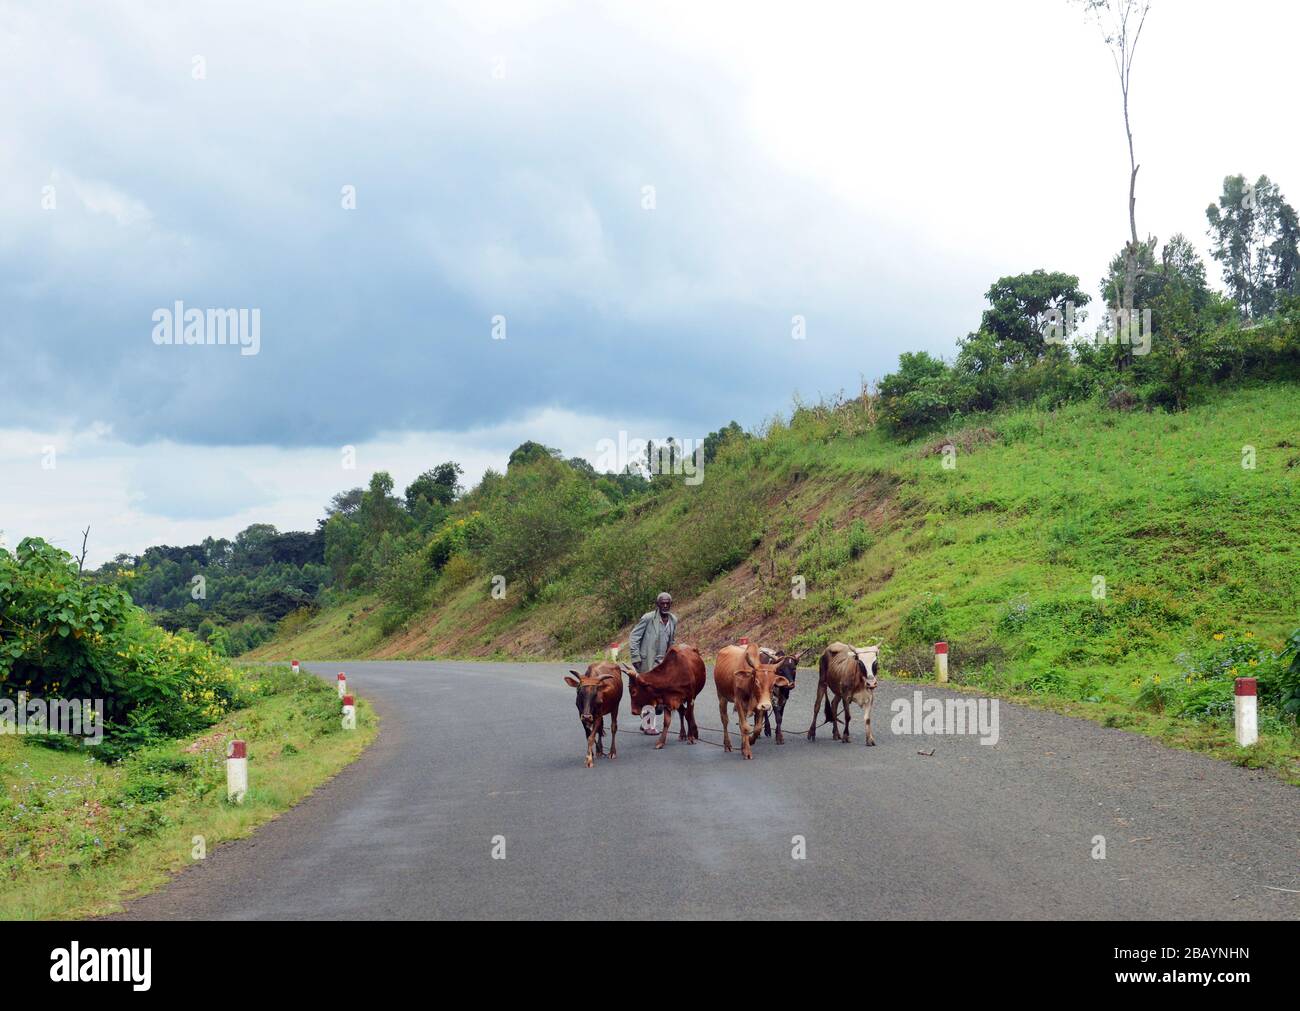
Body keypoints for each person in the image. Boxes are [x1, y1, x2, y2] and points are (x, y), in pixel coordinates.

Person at [628, 592, 676, 735]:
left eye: (668, 603)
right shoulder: (648, 618)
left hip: (663, 664)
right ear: (657, 604)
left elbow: (672, 642)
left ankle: (647, 722)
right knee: (648, 695)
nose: (665, 605)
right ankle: (648, 725)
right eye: (662, 603)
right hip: (647, 662)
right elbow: (634, 637)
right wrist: (636, 657)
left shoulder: (673, 619)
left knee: (662, 696)